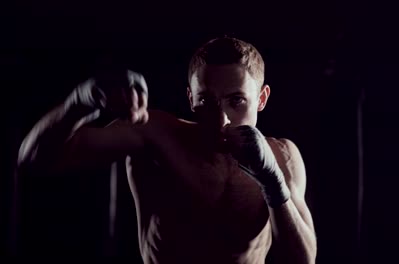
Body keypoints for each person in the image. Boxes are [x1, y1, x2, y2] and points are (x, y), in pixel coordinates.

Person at [17, 36, 317, 264]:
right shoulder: (156, 136)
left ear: (261, 99)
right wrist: (78, 103)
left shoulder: (281, 156)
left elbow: (304, 259)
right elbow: (34, 160)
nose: (220, 118)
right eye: (206, 101)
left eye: (236, 100)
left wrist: (273, 183)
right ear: (190, 97)